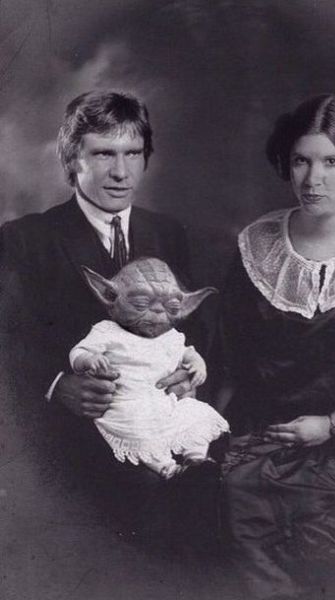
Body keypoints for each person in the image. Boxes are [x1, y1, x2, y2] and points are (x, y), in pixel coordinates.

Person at [217, 95, 335, 599]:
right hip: (267, 430)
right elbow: (229, 356)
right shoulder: (257, 246)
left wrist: (330, 425)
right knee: (232, 501)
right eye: (301, 161)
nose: (313, 179)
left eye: (331, 162)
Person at [0, 90, 208, 542]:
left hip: (164, 420)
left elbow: (193, 329)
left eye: (133, 153)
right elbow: (7, 345)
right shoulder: (24, 239)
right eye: (103, 154)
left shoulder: (168, 232)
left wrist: (189, 373)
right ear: (71, 159)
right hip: (71, 439)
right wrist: (56, 385)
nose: (120, 171)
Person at [69, 257, 229, 478]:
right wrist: (88, 359)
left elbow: (187, 353)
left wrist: (197, 365)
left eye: (172, 308)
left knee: (195, 415)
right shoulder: (107, 331)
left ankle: (196, 459)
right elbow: (78, 352)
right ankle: (168, 469)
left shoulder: (171, 336)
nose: (158, 313)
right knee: (138, 432)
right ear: (110, 296)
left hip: (166, 403)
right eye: (141, 305)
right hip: (129, 406)